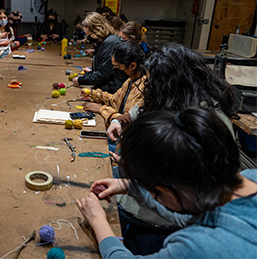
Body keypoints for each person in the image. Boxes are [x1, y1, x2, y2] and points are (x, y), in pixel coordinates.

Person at [76, 107, 257, 258]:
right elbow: (189, 212)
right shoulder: (249, 177)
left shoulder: (199, 246)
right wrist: (129, 186)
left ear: (169, 193)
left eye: (156, 193)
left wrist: (98, 221)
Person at [107, 43, 237, 141]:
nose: (149, 86)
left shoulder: (207, 120)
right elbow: (139, 111)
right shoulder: (174, 98)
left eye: (152, 82)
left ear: (171, 83)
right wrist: (118, 121)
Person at [80, 42, 148, 128]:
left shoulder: (142, 88)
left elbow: (127, 121)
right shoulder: (130, 81)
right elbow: (115, 100)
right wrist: (93, 93)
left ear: (132, 66)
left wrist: (102, 109)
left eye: (117, 67)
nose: (115, 70)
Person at [72, 12, 125, 93]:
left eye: (89, 34)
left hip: (112, 89)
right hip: (108, 85)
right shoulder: (103, 42)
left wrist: (81, 80)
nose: (88, 38)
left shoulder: (110, 42)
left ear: (97, 29)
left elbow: (103, 75)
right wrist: (90, 74)